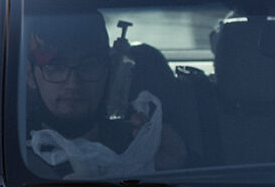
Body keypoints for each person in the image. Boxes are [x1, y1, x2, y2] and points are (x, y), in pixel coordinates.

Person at [22, 10, 186, 176]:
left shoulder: (138, 144)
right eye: (56, 67)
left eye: (89, 66)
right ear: (30, 74)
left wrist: (177, 167)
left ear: (109, 72)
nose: (73, 83)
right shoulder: (7, 150)